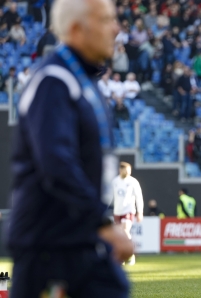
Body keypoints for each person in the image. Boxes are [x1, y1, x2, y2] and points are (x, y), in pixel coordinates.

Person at [7, 0, 132, 296]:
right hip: (49, 244)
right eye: (105, 20)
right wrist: (102, 224)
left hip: (75, 239)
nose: (116, 29)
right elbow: (56, 163)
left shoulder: (82, 79)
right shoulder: (54, 80)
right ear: (77, 29)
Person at [112, 162, 144, 265]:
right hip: (117, 211)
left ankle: (130, 255)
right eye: (126, 170)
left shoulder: (133, 182)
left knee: (125, 230)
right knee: (119, 234)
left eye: (129, 170)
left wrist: (140, 212)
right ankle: (122, 256)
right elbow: (109, 197)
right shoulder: (115, 181)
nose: (128, 172)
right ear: (120, 170)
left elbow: (139, 197)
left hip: (128, 210)